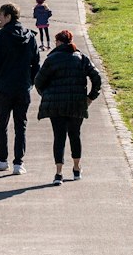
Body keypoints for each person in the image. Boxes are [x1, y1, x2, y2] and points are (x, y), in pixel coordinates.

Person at [35, 29, 102, 185]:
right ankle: (76, 168)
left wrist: (47, 95)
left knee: (59, 137)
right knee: (75, 135)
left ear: (59, 42)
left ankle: (58, 173)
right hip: (77, 103)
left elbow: (38, 81)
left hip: (56, 105)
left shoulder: (51, 59)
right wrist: (90, 97)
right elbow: (97, 77)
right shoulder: (81, 58)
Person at [0, 3, 40, 175]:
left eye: (0, 15)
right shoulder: (30, 36)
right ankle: (18, 163)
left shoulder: (1, 36)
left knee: (2, 123)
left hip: (4, 87)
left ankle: (2, 160)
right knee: (20, 125)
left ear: (8, 16)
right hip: (23, 87)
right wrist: (30, 82)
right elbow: (36, 63)